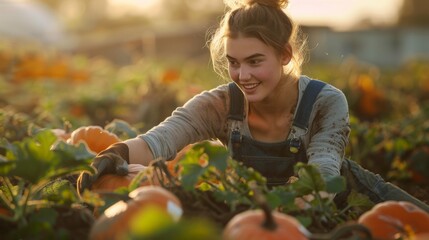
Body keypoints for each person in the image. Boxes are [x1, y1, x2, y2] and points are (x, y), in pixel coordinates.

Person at [77, 0, 429, 212]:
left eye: (255, 61)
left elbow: (322, 177)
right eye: (233, 62)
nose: (242, 75)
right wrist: (114, 156)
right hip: (259, 210)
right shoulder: (219, 104)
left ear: (285, 55)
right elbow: (161, 140)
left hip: (341, 202)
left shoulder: (325, 102)